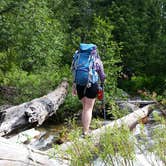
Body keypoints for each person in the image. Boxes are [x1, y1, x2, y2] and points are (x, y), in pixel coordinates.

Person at [71, 43, 105, 136]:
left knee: (84, 107)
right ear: (93, 50)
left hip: (79, 84)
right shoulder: (96, 60)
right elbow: (102, 74)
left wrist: (74, 86)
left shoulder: (77, 57)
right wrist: (102, 81)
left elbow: (73, 71)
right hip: (92, 84)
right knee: (88, 108)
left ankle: (85, 130)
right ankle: (86, 132)